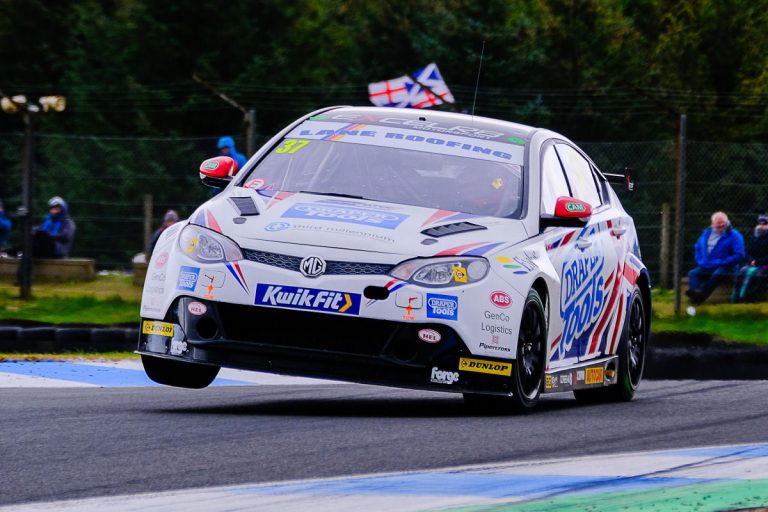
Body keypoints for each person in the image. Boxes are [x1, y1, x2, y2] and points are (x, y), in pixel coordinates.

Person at [686, 211, 744, 304]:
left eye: (723, 223)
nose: (721, 225)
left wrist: (721, 262)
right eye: (718, 224)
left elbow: (739, 255)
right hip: (707, 265)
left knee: (718, 273)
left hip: (727, 267)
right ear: (712, 224)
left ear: (727, 222)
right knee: (692, 273)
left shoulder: (734, 235)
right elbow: (698, 247)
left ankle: (700, 297)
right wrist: (700, 260)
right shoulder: (706, 234)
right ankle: (695, 292)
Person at [730, 213, 768, 303]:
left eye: (765, 223)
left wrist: (757, 262)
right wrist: (751, 260)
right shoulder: (755, 237)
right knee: (742, 271)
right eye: (760, 223)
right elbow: (748, 251)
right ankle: (735, 298)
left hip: (764, 264)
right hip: (753, 263)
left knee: (753, 273)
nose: (761, 225)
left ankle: (745, 298)